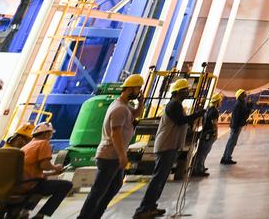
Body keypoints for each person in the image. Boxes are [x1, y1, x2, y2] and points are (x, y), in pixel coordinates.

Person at [76, 73, 143, 219]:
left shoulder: (124, 106)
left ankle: (95, 215)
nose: (139, 92)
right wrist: (122, 155)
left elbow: (136, 114)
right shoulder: (120, 108)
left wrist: (141, 101)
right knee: (98, 191)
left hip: (114, 156)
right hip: (110, 156)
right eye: (138, 89)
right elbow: (115, 133)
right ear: (130, 89)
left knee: (113, 187)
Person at [134, 78, 203, 219]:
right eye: (185, 90)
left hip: (170, 146)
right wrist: (199, 113)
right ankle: (143, 209)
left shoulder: (177, 105)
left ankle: (151, 206)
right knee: (158, 179)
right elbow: (180, 121)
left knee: (161, 179)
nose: (188, 92)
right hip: (166, 146)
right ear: (177, 92)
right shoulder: (173, 105)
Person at [18, 122, 73, 217]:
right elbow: (44, 165)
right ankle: (40, 215)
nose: (50, 137)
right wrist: (56, 167)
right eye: (50, 134)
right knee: (66, 185)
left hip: (20, 182)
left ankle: (24, 212)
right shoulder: (43, 143)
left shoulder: (27, 146)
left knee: (43, 181)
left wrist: (52, 172)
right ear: (46, 134)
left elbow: (34, 170)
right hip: (30, 184)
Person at [189, 93, 221, 177]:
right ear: (217, 101)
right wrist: (216, 133)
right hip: (209, 133)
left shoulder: (208, 109)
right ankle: (198, 169)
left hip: (204, 132)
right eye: (220, 101)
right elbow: (214, 123)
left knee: (201, 151)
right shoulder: (214, 111)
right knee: (204, 151)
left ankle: (199, 167)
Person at [220, 89, 251, 166]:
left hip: (237, 126)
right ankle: (226, 158)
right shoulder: (239, 104)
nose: (245, 96)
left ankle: (226, 157)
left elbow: (243, 115)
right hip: (235, 127)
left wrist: (248, 108)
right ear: (240, 96)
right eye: (243, 94)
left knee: (232, 142)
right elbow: (235, 117)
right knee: (231, 142)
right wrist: (235, 127)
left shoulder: (241, 104)